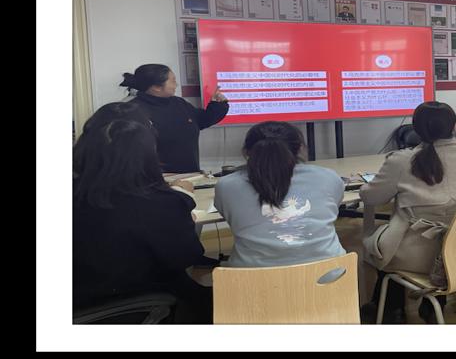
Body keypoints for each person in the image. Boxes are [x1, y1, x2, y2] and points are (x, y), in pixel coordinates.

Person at [360, 101, 456, 323]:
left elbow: (371, 198)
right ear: (455, 126)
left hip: (415, 256)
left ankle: (390, 311)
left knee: (381, 246)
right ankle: (432, 306)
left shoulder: (402, 160)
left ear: (416, 129)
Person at [73, 118, 212, 323]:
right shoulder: (160, 203)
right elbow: (187, 255)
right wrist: (182, 206)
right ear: (148, 158)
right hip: (141, 301)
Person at [214, 121, 346, 268]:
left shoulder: (226, 186)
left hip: (251, 280)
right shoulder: (328, 177)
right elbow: (334, 205)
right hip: (329, 276)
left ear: (246, 152)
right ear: (300, 149)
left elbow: (231, 217)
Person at [121, 63, 229, 173]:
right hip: (157, 179)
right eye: (173, 81)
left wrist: (217, 105)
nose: (176, 85)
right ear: (156, 87)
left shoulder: (178, 102)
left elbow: (201, 120)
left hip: (190, 175)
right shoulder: (132, 110)